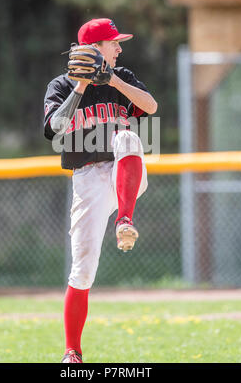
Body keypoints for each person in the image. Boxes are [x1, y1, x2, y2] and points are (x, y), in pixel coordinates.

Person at [43, 18, 158, 363]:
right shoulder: (61, 85)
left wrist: (114, 79)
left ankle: (125, 219)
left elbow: (151, 107)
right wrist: (79, 87)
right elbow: (54, 130)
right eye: (114, 43)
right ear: (94, 49)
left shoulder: (122, 80)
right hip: (89, 179)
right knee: (82, 269)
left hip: (126, 175)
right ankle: (72, 351)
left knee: (127, 137)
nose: (120, 48)